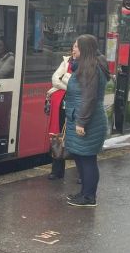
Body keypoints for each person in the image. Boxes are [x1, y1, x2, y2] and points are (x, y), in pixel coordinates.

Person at [64, 35, 110, 207]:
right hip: (81, 117)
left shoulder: (91, 68)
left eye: (76, 47)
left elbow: (89, 98)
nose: (73, 49)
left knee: (88, 159)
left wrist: (81, 122)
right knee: (81, 157)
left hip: (88, 121)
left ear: (84, 49)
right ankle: (84, 193)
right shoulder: (86, 66)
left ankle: (89, 197)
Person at [46, 48, 72, 180]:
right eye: (73, 47)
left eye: (77, 47)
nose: (74, 50)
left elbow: (79, 86)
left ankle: (80, 173)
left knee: (76, 139)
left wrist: (65, 80)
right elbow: (55, 80)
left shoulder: (87, 65)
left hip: (75, 108)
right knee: (58, 136)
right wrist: (68, 84)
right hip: (61, 106)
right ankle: (57, 170)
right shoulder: (66, 61)